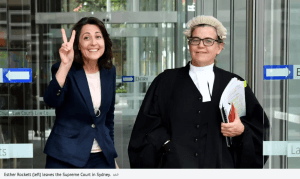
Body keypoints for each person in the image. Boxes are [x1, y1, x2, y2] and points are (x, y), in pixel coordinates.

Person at [128, 15, 269, 168]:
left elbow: (258, 126)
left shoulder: (235, 83)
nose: (201, 45)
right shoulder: (165, 81)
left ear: (219, 47)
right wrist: (167, 144)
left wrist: (241, 129)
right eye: (195, 40)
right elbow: (147, 125)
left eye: (208, 41)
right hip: (176, 167)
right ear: (189, 45)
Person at [43, 17, 118, 168]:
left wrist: (111, 156)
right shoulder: (65, 69)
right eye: (86, 38)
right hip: (65, 156)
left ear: (104, 41)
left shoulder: (109, 71)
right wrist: (65, 65)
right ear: (78, 44)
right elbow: (51, 100)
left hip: (101, 157)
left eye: (98, 36)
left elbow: (108, 118)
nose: (93, 43)